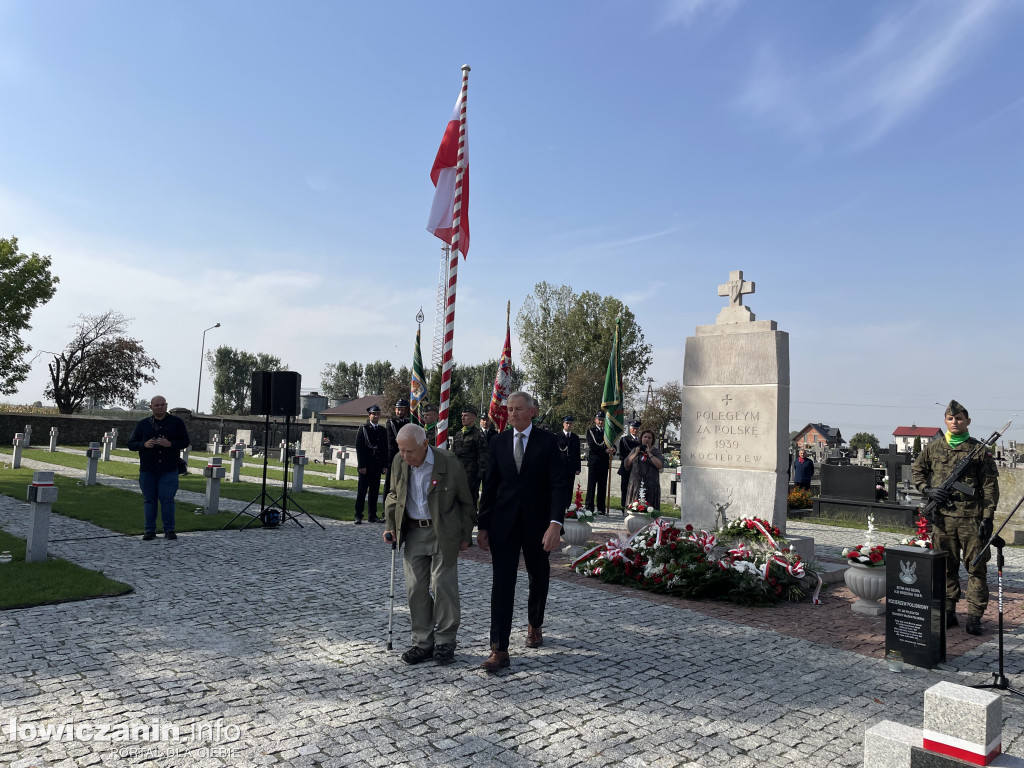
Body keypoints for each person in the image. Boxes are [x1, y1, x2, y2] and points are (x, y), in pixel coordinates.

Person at [477, 391, 565, 672]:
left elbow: (558, 486)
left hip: (538, 526)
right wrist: (483, 525)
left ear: (532, 412)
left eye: (517, 409)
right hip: (504, 525)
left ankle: (534, 623)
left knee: (538, 577)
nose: (512, 413)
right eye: (509, 409)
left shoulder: (549, 442)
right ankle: (499, 649)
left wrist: (555, 524)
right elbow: (489, 486)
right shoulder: (499, 442)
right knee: (502, 584)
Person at [383, 423, 477, 665]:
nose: (404, 456)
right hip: (413, 532)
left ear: (425, 444)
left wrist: (466, 535)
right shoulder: (398, 461)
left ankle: (445, 641)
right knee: (415, 589)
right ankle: (422, 642)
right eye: (401, 450)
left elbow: (466, 501)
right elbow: (393, 494)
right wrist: (390, 525)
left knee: (443, 585)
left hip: (442, 532)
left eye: (409, 451)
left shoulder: (448, 462)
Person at [912, 400, 999, 635]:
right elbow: (917, 471)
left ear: (967, 421)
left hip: (972, 518)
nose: (954, 422)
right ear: (945, 421)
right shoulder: (933, 448)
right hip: (943, 519)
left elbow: (990, 486)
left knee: (976, 569)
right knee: (946, 568)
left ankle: (974, 617)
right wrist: (927, 490)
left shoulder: (979, 450)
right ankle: (948, 612)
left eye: (959, 418)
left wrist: (988, 518)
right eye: (950, 419)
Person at [126, 396, 191, 541]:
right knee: (149, 500)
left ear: (166, 406)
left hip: (169, 468)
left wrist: (170, 444)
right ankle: (149, 530)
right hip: (148, 468)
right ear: (151, 407)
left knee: (167, 500)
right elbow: (131, 443)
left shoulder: (177, 423)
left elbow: (185, 441)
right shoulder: (143, 424)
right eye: (157, 405)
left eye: (162, 405)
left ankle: (169, 530)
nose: (160, 407)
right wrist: (144, 444)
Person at [355, 404, 388, 524]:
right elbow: (359, 448)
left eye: (378, 414)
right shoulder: (364, 429)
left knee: (374, 492)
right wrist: (361, 466)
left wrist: (384, 465)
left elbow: (384, 448)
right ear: (369, 415)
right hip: (366, 465)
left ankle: (372, 515)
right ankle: (358, 514)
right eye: (374, 414)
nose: (376, 416)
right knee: (362, 491)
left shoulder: (382, 430)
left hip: (377, 465)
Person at [450, 406, 488, 503]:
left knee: (469, 502)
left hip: (471, 475)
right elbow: (452, 454)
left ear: (473, 418)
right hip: (457, 473)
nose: (462, 418)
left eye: (466, 416)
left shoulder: (479, 435)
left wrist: (478, 477)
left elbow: (484, 457)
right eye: (462, 415)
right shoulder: (458, 434)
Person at [624, 429, 664, 509]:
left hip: (651, 486)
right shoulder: (635, 450)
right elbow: (626, 464)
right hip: (635, 484)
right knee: (634, 509)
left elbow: (660, 465)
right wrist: (635, 454)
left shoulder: (656, 451)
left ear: (652, 440)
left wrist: (649, 453)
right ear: (641, 438)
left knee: (649, 510)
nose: (647, 439)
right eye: (645, 437)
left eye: (649, 438)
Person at [585, 412, 613, 515]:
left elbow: (611, 443)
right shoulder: (591, 431)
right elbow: (592, 445)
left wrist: (613, 449)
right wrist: (605, 451)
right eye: (599, 419)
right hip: (594, 463)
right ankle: (589, 507)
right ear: (595, 420)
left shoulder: (607, 432)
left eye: (602, 420)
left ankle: (601, 508)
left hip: (604, 463)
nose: (601, 421)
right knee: (591, 486)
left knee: (602, 486)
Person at [383, 398, 412, 499]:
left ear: (406, 411)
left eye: (402, 410)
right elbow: (391, 440)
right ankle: (386, 508)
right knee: (390, 482)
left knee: (404, 481)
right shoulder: (390, 423)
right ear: (395, 410)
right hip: (393, 455)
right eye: (398, 409)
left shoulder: (409, 422)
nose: (400, 412)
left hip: (407, 456)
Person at [557, 416, 582, 510]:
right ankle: (559, 506)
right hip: (560, 466)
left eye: (570, 423)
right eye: (567, 423)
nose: (568, 425)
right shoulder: (558, 436)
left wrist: (578, 468)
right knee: (560, 487)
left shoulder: (575, 437)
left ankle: (567, 505)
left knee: (569, 487)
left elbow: (577, 454)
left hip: (571, 467)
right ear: (563, 424)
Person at [617, 420, 641, 512]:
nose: (635, 430)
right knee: (625, 488)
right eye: (633, 428)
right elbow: (623, 453)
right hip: (627, 467)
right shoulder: (625, 440)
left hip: (637, 468)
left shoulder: (641, 440)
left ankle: (635, 507)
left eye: (637, 429)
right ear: (630, 429)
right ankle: (624, 507)